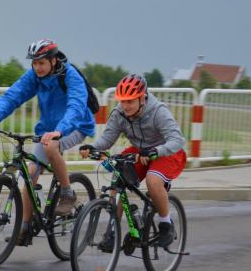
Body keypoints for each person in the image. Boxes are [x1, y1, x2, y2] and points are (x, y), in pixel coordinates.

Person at [0, 39, 96, 244]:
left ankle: (67, 194)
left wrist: (60, 131)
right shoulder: (34, 76)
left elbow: (76, 107)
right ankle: (25, 228)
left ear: (53, 60)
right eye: (34, 63)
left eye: (41, 63)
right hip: (47, 130)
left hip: (75, 125)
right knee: (30, 173)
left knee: (51, 147)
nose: (37, 67)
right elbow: (12, 96)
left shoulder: (70, 75)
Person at [79, 73, 186, 249]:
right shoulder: (119, 113)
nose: (125, 106)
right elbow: (108, 138)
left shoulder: (158, 111)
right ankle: (112, 233)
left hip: (167, 151)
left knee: (153, 180)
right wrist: (93, 147)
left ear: (142, 98)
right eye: (122, 101)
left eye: (130, 101)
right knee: (118, 178)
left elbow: (177, 140)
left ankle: (166, 224)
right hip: (139, 151)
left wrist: (156, 151)